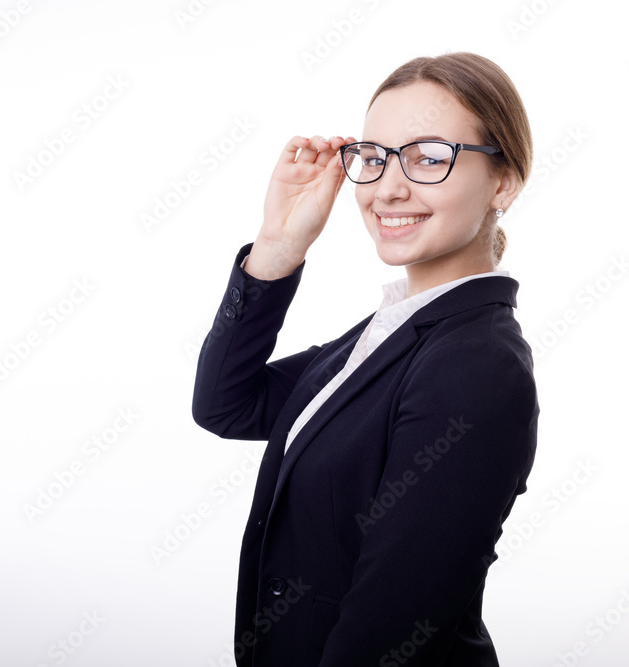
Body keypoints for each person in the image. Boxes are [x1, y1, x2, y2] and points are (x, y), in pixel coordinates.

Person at [191, 52, 539, 666]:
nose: (387, 188)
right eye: (374, 157)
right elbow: (228, 404)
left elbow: (390, 631)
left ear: (503, 182)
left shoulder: (476, 365)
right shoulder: (393, 331)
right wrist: (278, 246)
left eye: (428, 157)